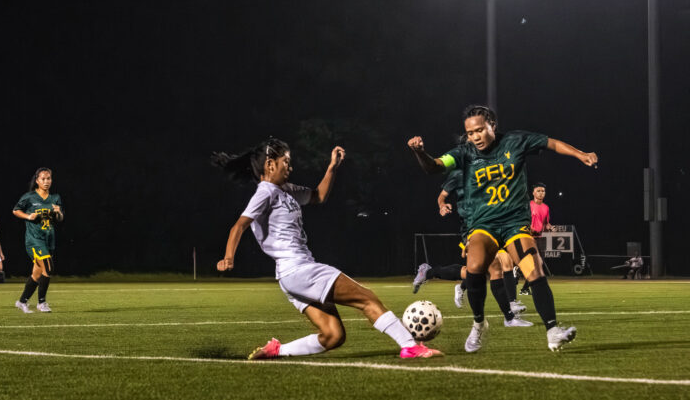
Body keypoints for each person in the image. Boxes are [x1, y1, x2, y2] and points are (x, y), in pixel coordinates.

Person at [213, 138, 441, 360]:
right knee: (367, 299)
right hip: (299, 270)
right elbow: (239, 225)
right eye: (286, 161)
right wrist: (228, 257)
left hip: (290, 277)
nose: (290, 167)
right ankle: (410, 347)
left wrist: (332, 167)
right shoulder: (266, 192)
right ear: (270, 164)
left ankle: (276, 351)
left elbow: (318, 196)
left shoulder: (286, 190)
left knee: (333, 335)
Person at [408, 105, 598, 352]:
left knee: (534, 269)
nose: (475, 137)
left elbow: (551, 143)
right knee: (475, 268)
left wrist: (580, 153)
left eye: (479, 130)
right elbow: (434, 166)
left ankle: (553, 331)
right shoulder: (465, 153)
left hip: (514, 223)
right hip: (483, 224)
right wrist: (420, 153)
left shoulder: (515, 141)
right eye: (470, 132)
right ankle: (479, 324)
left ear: (492, 126)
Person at [412, 169, 530, 326]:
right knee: (495, 267)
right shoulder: (459, 173)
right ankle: (509, 313)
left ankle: (431, 273)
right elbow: (442, 196)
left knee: (480, 271)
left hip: (490, 225)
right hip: (471, 228)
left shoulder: (489, 168)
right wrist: (442, 205)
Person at [12, 168, 63, 313]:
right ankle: (42, 303)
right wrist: (28, 217)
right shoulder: (29, 197)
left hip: (49, 240)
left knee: (37, 274)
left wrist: (58, 212)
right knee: (49, 267)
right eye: (43, 179)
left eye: (49, 178)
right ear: (37, 180)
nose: (46, 181)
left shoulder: (55, 198)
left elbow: (60, 219)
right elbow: (15, 210)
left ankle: (21, 302)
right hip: (34, 240)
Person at [520, 182, 551, 295]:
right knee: (529, 261)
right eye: (538, 190)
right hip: (528, 237)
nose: (541, 193)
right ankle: (517, 272)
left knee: (539, 263)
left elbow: (546, 224)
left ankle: (524, 289)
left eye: (543, 191)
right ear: (533, 192)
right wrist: (530, 228)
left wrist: (550, 228)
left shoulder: (546, 208)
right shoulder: (528, 205)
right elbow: (523, 220)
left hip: (540, 238)